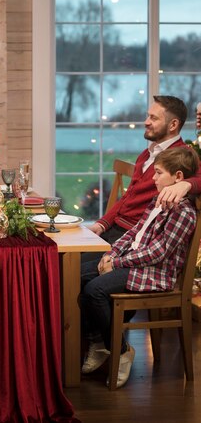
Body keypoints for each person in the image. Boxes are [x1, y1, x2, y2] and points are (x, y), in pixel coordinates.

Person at [81, 146, 199, 389]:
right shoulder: (158, 200)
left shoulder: (184, 212)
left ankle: (122, 351)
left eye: (158, 173)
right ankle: (99, 342)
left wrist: (118, 262)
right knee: (78, 275)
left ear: (178, 177)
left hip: (154, 273)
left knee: (94, 291)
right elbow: (134, 231)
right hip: (133, 261)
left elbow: (159, 252)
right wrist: (111, 252)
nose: (153, 178)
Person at [88, 96, 201, 249]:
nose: (146, 122)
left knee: (75, 267)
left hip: (135, 237)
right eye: (148, 116)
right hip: (115, 228)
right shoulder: (146, 153)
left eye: (153, 118)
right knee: (65, 257)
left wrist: (186, 184)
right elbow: (129, 196)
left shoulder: (182, 156)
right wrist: (102, 223)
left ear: (173, 124)